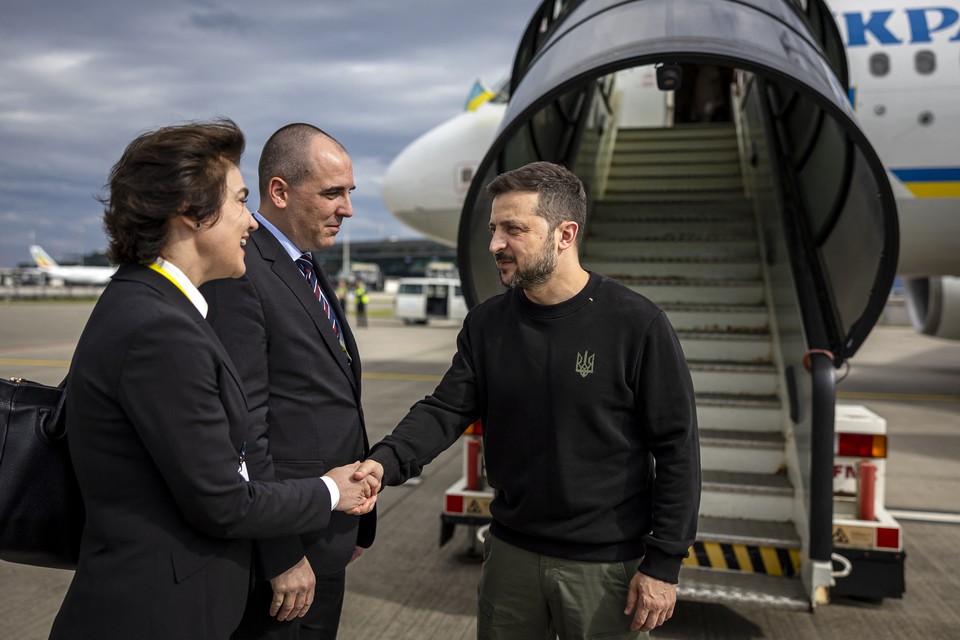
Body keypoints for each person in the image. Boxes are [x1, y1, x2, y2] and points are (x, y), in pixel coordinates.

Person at [49, 119, 377, 640]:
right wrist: (327, 492)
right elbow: (223, 496)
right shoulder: (158, 328)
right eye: (240, 201)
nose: (250, 221)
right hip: (156, 612)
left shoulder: (156, 308)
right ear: (192, 214)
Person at [355, 161, 700, 639]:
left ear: (565, 234)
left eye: (513, 229)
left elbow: (677, 449)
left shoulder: (636, 325)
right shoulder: (487, 324)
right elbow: (447, 407)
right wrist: (384, 461)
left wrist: (664, 563)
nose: (495, 243)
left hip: (604, 568)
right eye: (494, 228)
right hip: (510, 557)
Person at [202, 123, 374, 640]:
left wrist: (355, 523)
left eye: (349, 193)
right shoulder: (241, 270)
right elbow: (244, 427)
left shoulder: (303, 265)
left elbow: (327, 401)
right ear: (279, 192)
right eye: (332, 193)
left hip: (327, 532)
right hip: (285, 553)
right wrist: (280, 553)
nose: (347, 208)